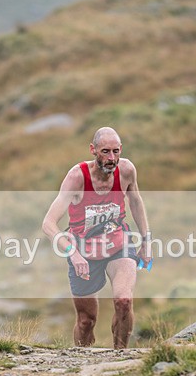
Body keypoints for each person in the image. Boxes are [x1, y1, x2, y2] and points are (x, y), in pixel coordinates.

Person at [42, 126, 151, 349]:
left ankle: (119, 357)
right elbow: (48, 224)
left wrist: (146, 242)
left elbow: (136, 202)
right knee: (86, 321)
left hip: (118, 244)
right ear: (93, 150)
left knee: (124, 301)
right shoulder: (77, 177)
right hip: (83, 250)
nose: (112, 158)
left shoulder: (127, 170)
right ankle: (82, 362)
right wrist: (73, 254)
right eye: (105, 152)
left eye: (116, 151)